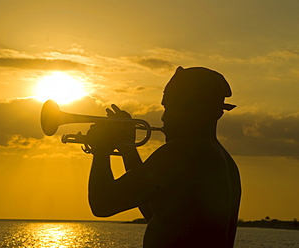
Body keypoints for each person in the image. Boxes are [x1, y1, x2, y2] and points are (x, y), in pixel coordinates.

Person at [86, 66, 241, 248]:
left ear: (193, 109)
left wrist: (101, 148)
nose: (163, 117)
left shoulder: (181, 152)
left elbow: (102, 204)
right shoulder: (226, 162)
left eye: (171, 107)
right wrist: (128, 151)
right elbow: (156, 213)